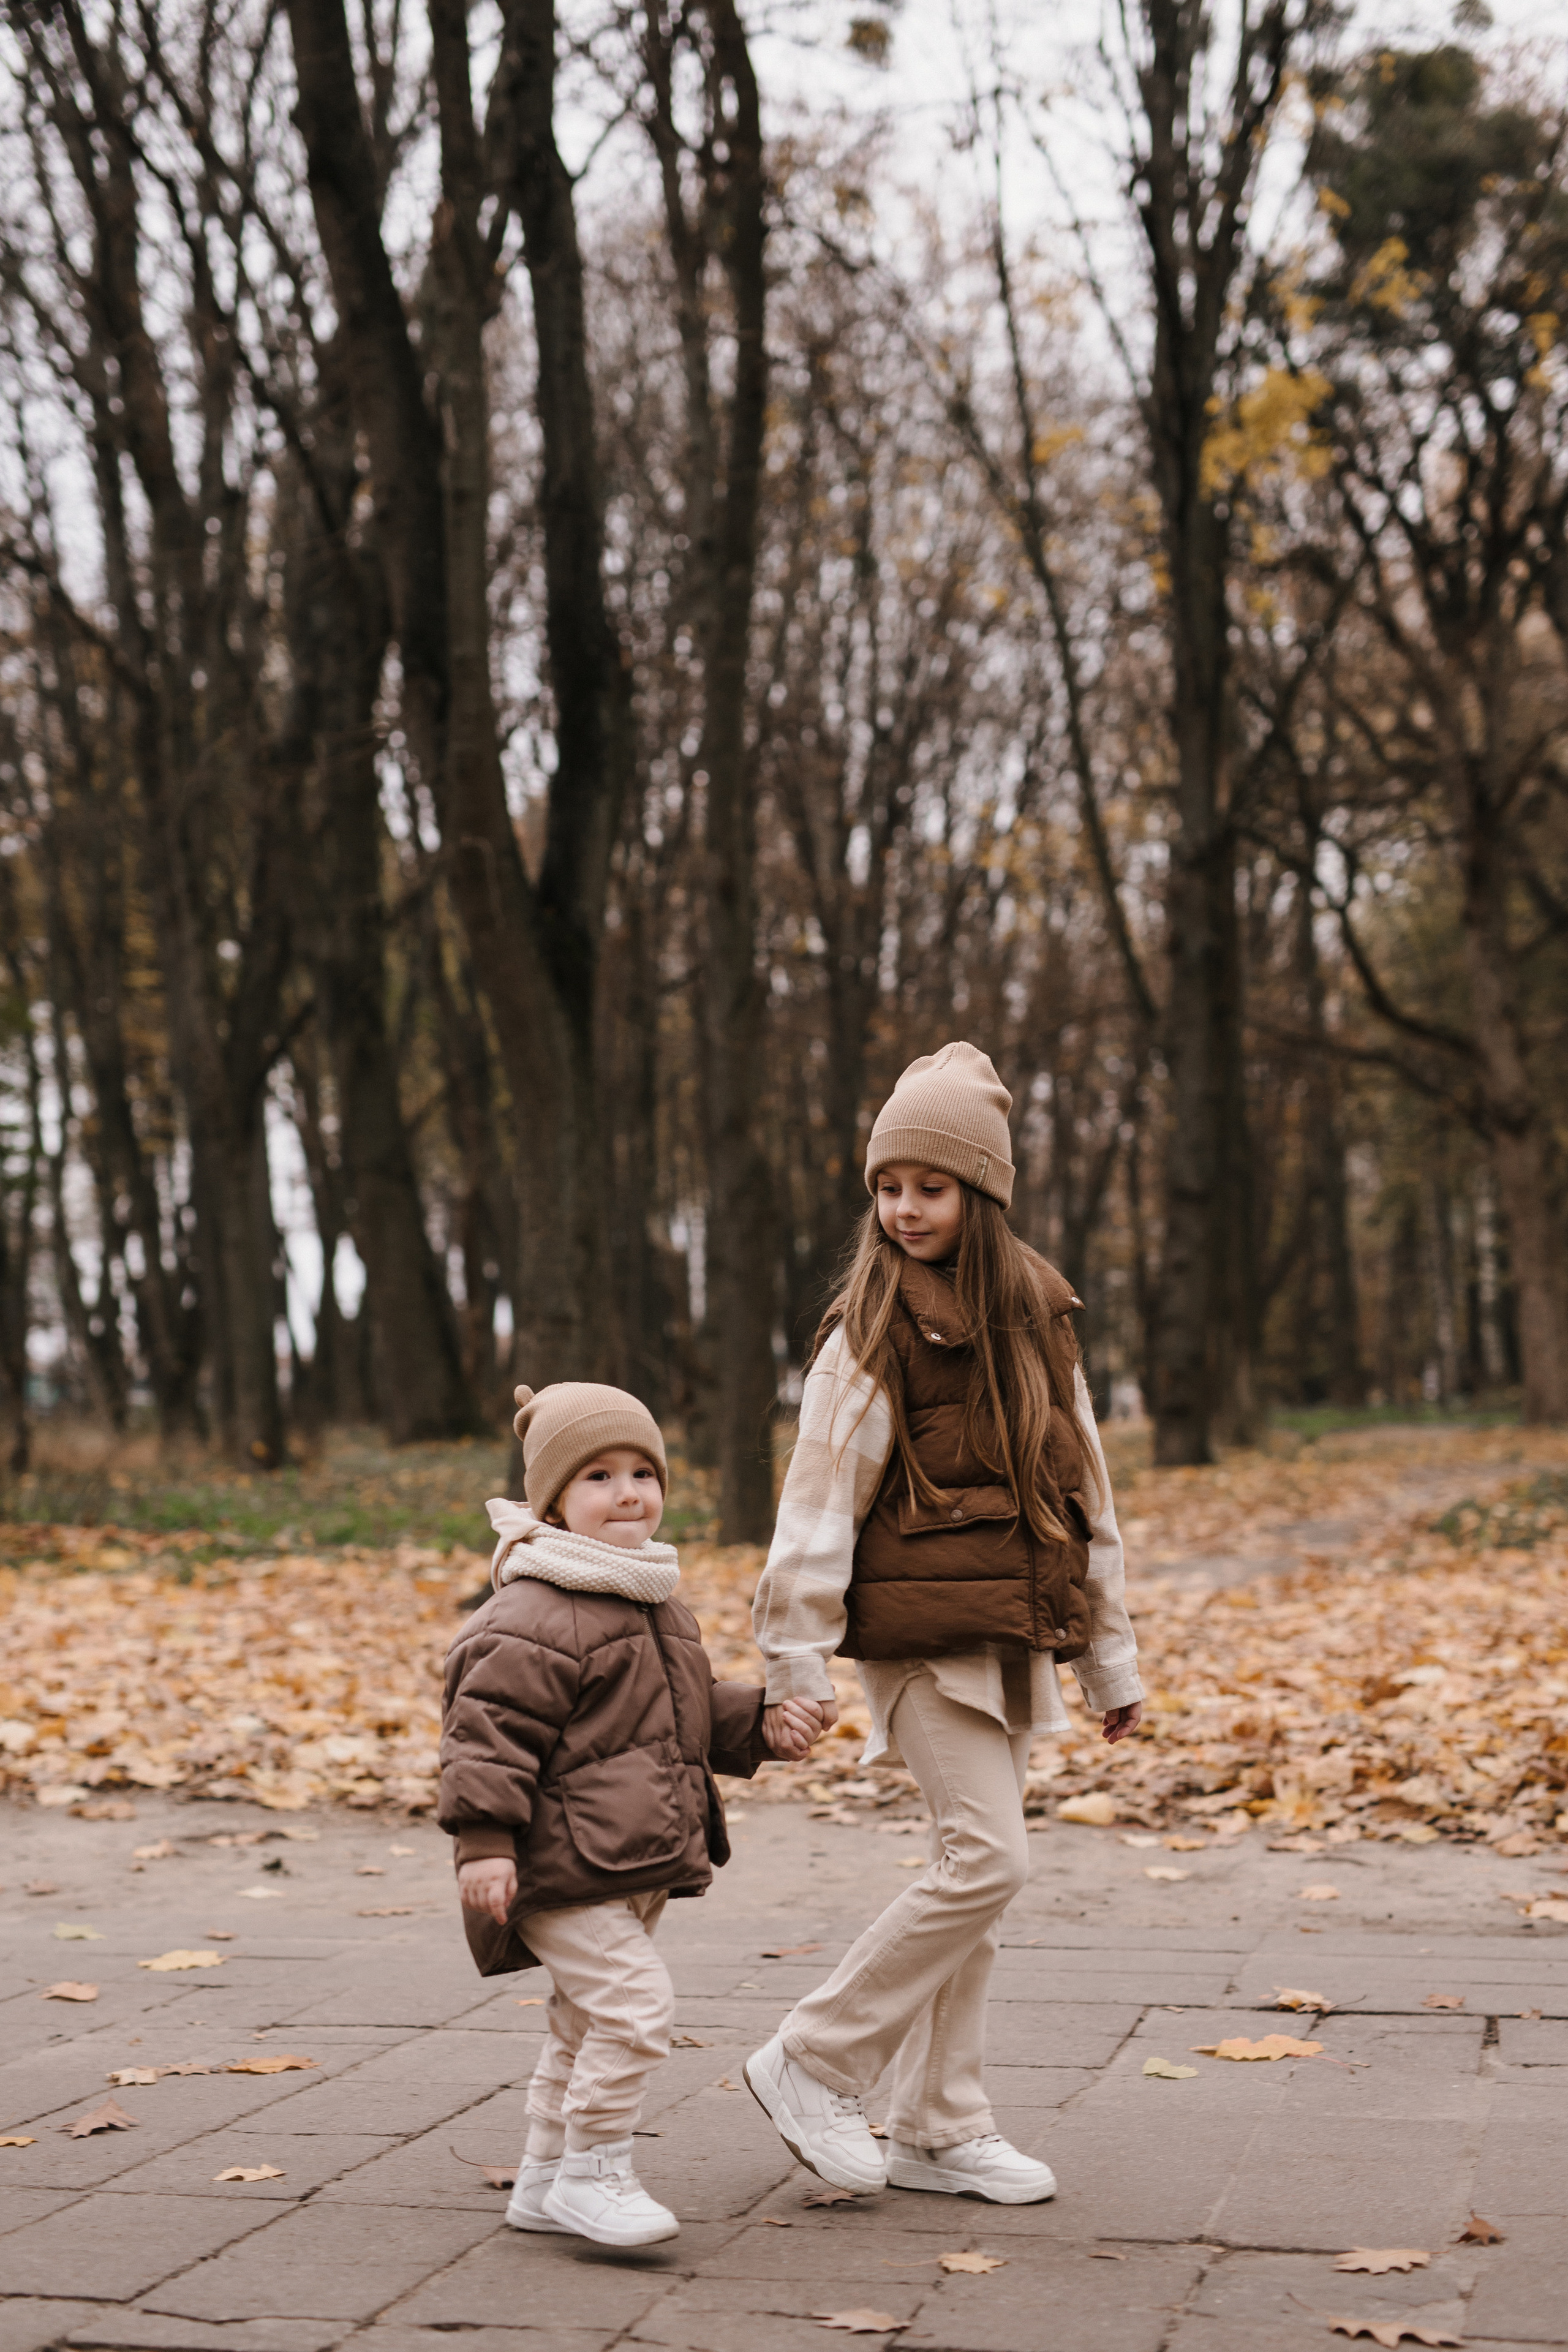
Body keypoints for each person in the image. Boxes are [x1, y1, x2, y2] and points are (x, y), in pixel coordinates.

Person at [745, 1041, 1143, 2204]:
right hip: (922, 1641)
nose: (903, 1209)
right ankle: (813, 2059)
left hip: (1011, 1633)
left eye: (929, 1186)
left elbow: (1087, 1499)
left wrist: (1110, 1658)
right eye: (886, 1186)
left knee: (980, 1881)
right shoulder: (867, 1332)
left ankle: (938, 2120)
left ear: (984, 1193)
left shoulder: (1039, 1322)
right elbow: (814, 1508)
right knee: (988, 1858)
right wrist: (793, 1662)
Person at [439, 1381, 821, 2248]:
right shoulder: (533, 1611)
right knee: (635, 2010)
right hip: (560, 1862)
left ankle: (541, 2180)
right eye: (600, 1476)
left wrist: (759, 1721)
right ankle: (594, 2173)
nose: (628, 1493)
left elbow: (674, 1714)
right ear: (556, 1503)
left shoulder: (649, 1598)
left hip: (626, 1856)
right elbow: (486, 1736)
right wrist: (486, 1843)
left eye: (644, 1472)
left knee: (584, 2021)